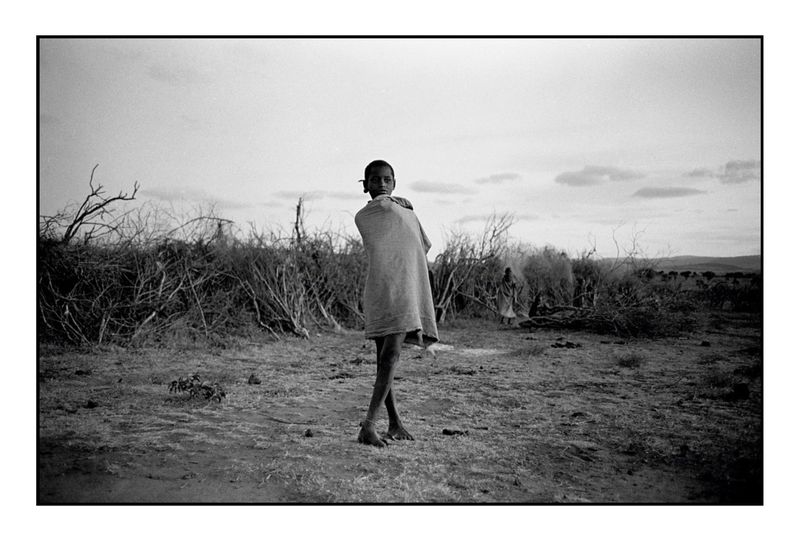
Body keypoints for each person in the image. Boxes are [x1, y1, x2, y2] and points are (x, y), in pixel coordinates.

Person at [354, 159, 438, 447]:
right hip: (382, 288)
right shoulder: (364, 216)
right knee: (388, 358)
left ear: (394, 182)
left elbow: (419, 245)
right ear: (364, 185)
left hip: (404, 288)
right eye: (374, 180)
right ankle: (368, 426)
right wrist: (403, 205)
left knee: (386, 359)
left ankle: (394, 422)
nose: (381, 184)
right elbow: (392, 234)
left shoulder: (405, 213)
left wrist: (405, 207)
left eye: (387, 179)